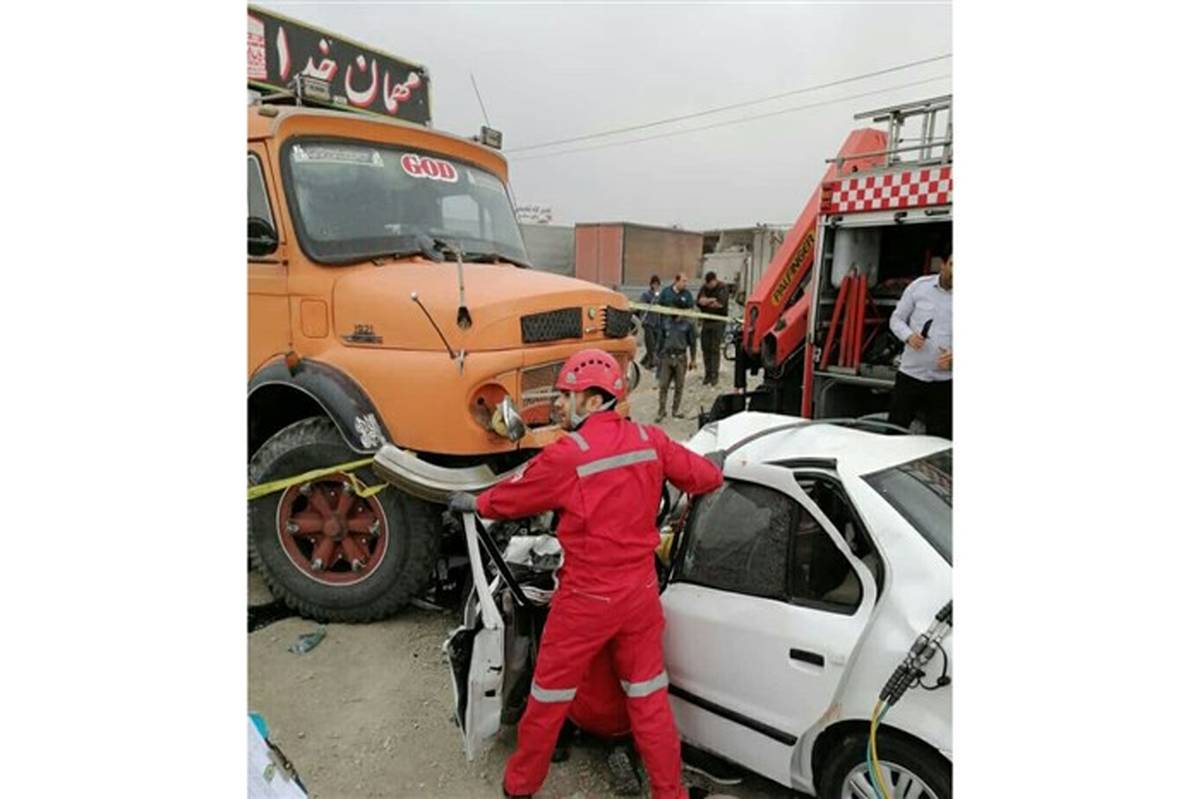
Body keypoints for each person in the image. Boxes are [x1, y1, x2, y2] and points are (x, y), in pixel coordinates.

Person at [447, 349, 724, 799]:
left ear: (594, 402)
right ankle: (669, 793)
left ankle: (520, 787)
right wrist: (718, 467)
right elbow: (706, 477)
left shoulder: (568, 455)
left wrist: (475, 503)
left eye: (567, 395)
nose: (560, 403)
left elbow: (516, 496)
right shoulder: (651, 439)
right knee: (649, 698)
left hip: (586, 599)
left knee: (550, 695)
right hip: (639, 594)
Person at [887, 253, 953, 438]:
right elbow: (896, 319)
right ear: (943, 265)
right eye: (953, 265)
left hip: (944, 382)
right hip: (910, 376)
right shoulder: (919, 287)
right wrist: (908, 336)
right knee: (894, 433)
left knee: (940, 440)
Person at [656, 297, 697, 422]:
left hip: (680, 358)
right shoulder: (666, 323)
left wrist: (693, 359)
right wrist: (657, 356)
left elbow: (693, 343)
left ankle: (676, 410)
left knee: (679, 386)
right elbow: (661, 340)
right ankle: (661, 411)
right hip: (667, 357)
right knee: (663, 385)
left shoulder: (688, 325)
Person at [696, 271, 729, 386]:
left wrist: (707, 301)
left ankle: (715, 375)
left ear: (714, 281)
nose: (708, 286)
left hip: (718, 322)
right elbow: (699, 301)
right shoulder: (704, 288)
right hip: (706, 322)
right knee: (706, 349)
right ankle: (707, 374)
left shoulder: (722, 288)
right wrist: (711, 300)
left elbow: (720, 304)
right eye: (707, 284)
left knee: (714, 349)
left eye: (710, 284)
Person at [637, 276, 664, 370]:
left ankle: (644, 362)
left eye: (658, 284)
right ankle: (652, 362)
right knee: (650, 344)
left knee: (656, 344)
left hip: (657, 322)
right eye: (655, 284)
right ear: (651, 284)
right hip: (648, 322)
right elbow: (641, 306)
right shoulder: (646, 295)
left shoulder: (659, 296)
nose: (656, 286)